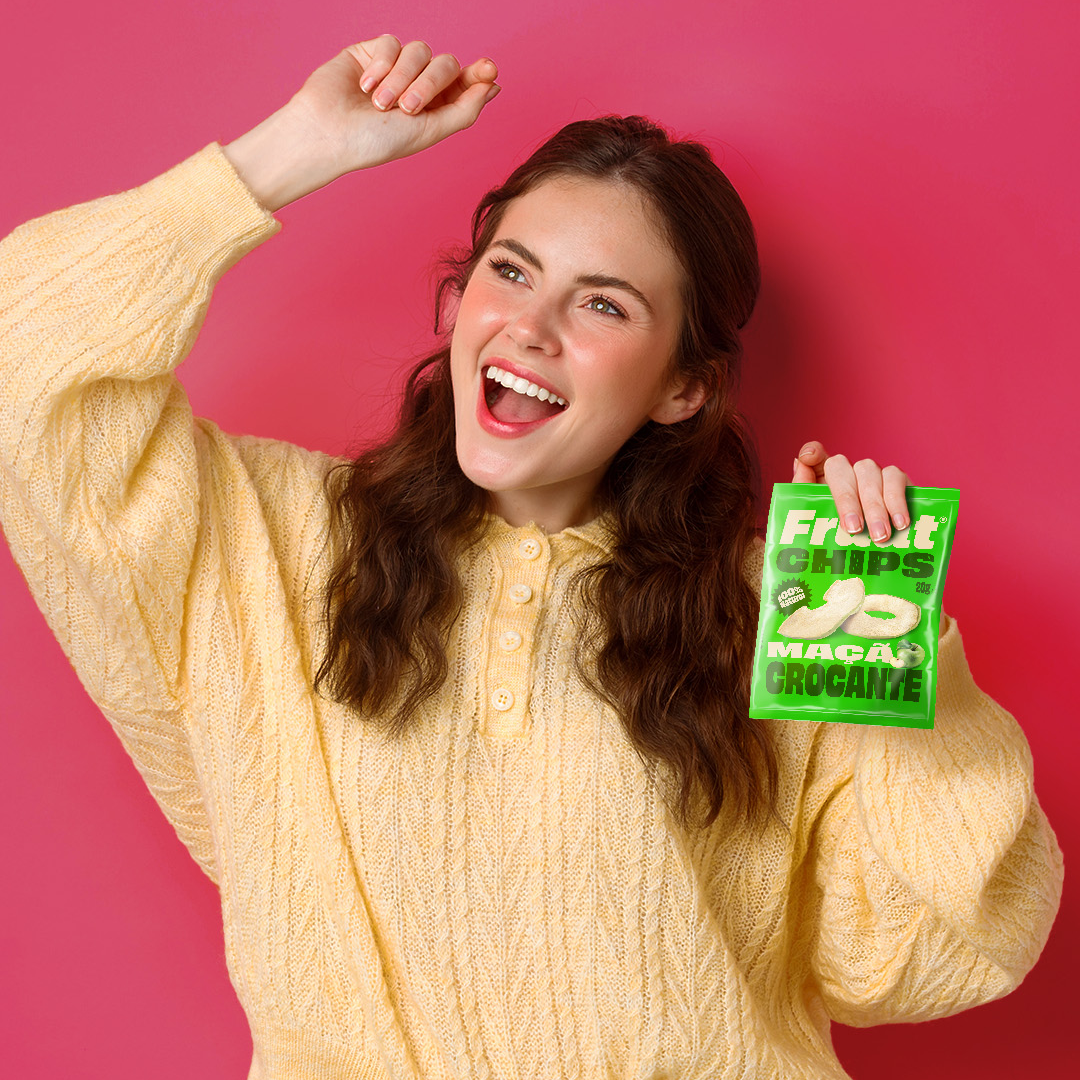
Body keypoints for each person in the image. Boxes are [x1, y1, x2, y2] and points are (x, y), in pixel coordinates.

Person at [0, 35, 1062, 1080]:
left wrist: (881, 625)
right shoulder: (274, 544)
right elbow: (24, 365)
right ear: (461, 303)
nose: (532, 328)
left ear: (680, 387)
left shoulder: (782, 606)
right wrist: (289, 153)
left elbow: (933, 957)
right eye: (510, 272)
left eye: (604, 302)